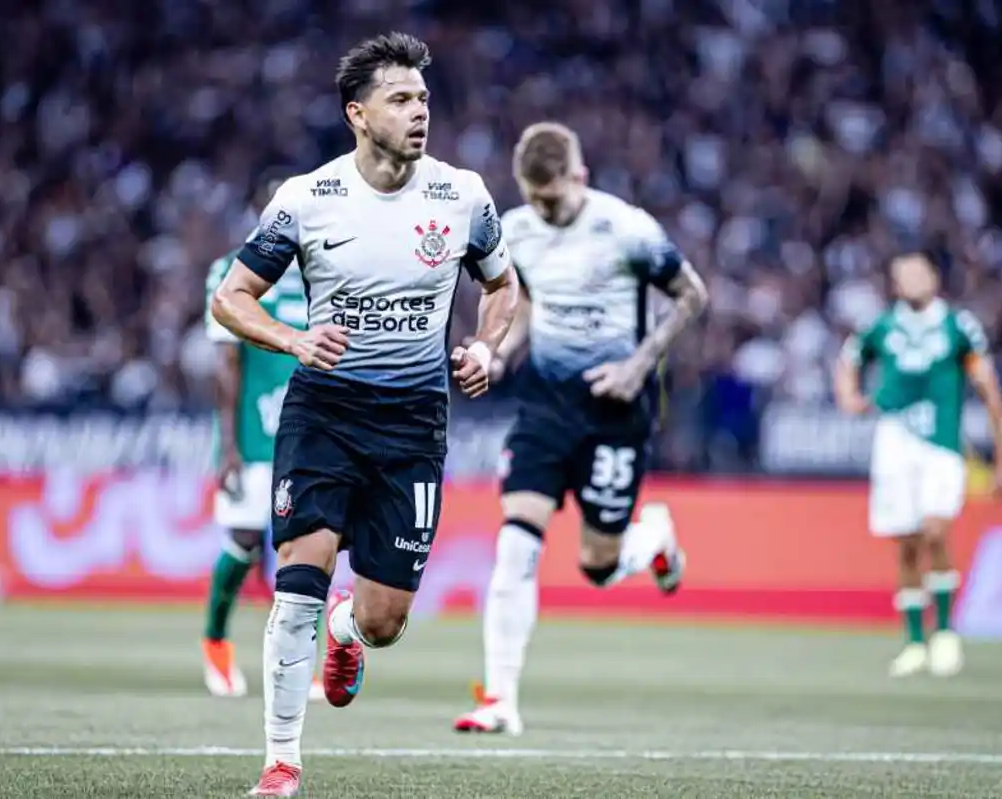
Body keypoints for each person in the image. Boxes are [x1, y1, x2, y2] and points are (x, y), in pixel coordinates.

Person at [210, 32, 519, 797]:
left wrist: (487, 345)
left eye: (423, 98)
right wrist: (292, 338)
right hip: (325, 415)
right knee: (295, 587)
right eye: (401, 100)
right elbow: (230, 297)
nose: (420, 113)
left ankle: (348, 633)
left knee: (383, 620)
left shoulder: (463, 196)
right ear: (358, 114)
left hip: (414, 424)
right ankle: (281, 762)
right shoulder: (307, 200)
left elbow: (505, 286)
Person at [451, 122, 709, 737]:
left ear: (580, 178)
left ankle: (655, 539)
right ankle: (501, 701)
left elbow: (692, 295)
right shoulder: (513, 231)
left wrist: (639, 364)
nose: (544, 210)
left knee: (598, 565)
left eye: (554, 199)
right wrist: (496, 352)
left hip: (615, 410)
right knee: (516, 543)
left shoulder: (626, 229)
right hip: (545, 406)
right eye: (534, 199)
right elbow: (530, 305)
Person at [833, 251, 1002, 678]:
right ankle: (914, 641)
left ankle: (945, 632)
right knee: (907, 541)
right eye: (902, 275)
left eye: (918, 272)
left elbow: (988, 390)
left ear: (933, 277)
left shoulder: (958, 327)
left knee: (935, 528)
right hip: (895, 441)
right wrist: (849, 397)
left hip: (941, 445)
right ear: (895, 285)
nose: (911, 280)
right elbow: (848, 360)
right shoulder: (882, 326)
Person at [199, 177, 326, 704]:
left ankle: (308, 663)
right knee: (247, 541)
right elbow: (225, 364)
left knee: (315, 547)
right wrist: (227, 446)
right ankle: (216, 641)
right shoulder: (234, 270)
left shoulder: (325, 271)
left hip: (312, 434)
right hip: (254, 437)